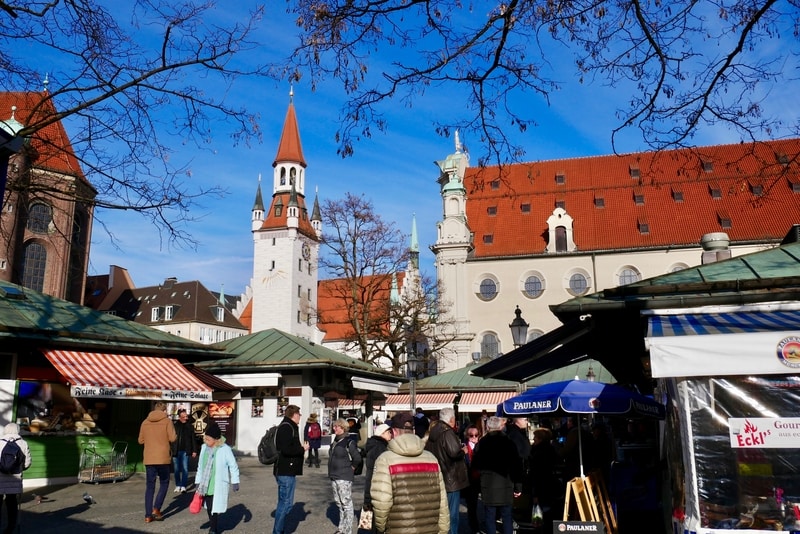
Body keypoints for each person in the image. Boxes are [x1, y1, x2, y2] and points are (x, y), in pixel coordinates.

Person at [370, 412, 448, 534]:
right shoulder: (431, 459)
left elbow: (382, 502)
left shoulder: (385, 460)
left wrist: (381, 527)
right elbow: (442, 500)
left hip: (398, 528)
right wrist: (443, 530)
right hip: (430, 529)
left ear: (394, 432)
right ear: (414, 431)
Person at [472, 416, 524, 534]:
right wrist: (518, 487)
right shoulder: (509, 443)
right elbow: (517, 466)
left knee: (490, 517)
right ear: (501, 427)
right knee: (507, 517)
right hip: (506, 485)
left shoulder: (482, 443)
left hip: (488, 485)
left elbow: (475, 465)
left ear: (488, 427)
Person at [425, 407, 469, 534]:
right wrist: (463, 451)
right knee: (452, 514)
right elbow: (454, 453)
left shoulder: (434, 430)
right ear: (451, 419)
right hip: (451, 479)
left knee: (441, 513)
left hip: (438, 475)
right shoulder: (447, 432)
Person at [195, 422, 240, 534]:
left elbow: (233, 465)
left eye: (208, 439)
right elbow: (200, 466)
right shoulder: (204, 448)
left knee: (213, 507)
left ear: (216, 439)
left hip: (217, 483)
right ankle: (213, 524)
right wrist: (197, 481)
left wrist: (235, 481)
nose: (206, 441)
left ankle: (213, 528)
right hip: (206, 483)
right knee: (209, 507)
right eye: (205, 439)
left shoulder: (225, 449)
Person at [272, 404, 309, 534]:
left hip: (286, 470)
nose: (300, 416)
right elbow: (286, 449)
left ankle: (279, 530)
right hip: (285, 471)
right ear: (293, 415)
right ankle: (277, 531)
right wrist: (302, 449)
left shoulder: (288, 426)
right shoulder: (287, 428)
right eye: (299, 414)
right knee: (285, 504)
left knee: (284, 502)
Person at [138, 401, 177, 523]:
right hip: (163, 458)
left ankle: (148, 515)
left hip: (149, 458)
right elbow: (173, 438)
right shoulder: (167, 421)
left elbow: (140, 440)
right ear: (164, 410)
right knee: (164, 483)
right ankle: (156, 509)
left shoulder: (145, 422)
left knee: (150, 486)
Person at [328, 418, 363, 534]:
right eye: (334, 426)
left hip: (344, 477)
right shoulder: (335, 441)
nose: (334, 428)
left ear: (343, 427)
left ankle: (347, 530)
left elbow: (357, 458)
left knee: (346, 503)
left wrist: (351, 468)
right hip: (334, 476)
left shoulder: (349, 442)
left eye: (337, 426)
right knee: (339, 503)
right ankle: (341, 528)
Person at [528, 427, 561, 530]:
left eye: (535, 437)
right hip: (549, 485)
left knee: (542, 514)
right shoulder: (550, 449)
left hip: (541, 487)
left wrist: (535, 493)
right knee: (548, 513)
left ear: (540, 439)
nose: (533, 439)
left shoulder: (539, 453)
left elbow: (537, 474)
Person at [0, 423, 31, 534]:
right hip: (15, 478)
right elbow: (27, 463)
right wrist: (19, 468)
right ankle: (10, 527)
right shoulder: (23, 443)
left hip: (0, 478)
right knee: (12, 503)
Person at [362, 423, 392, 532]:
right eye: (389, 432)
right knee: (376, 523)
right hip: (377, 487)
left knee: (367, 522)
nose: (391, 435)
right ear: (382, 433)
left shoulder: (373, 444)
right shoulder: (380, 447)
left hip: (370, 487)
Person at [462, 424, 483, 534]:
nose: (474, 437)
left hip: (482, 479)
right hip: (470, 481)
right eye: (471, 435)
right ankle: (474, 528)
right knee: (472, 506)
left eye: (476, 435)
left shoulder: (482, 446)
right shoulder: (463, 447)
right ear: (467, 436)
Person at [173, 408, 198, 493]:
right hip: (175, 450)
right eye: (184, 415)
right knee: (176, 469)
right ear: (180, 416)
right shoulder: (175, 425)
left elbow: (193, 439)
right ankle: (178, 485)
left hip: (185, 450)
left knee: (185, 468)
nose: (186, 416)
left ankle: (183, 485)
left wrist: (194, 450)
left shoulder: (190, 426)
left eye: (186, 415)